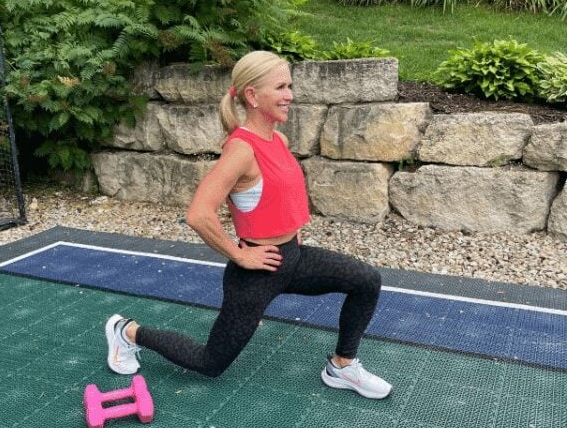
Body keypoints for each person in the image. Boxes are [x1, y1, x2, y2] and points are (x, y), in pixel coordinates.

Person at [104, 50, 392, 399]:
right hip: (256, 270)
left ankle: (342, 366)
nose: (290, 95)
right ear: (253, 96)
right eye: (281, 87)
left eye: (290, 86)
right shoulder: (241, 150)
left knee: (366, 281)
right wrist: (240, 256)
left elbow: (278, 196)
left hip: (293, 259)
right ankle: (126, 331)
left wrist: (291, 231)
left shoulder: (279, 140)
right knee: (210, 362)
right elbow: (199, 214)